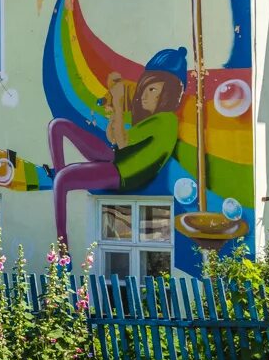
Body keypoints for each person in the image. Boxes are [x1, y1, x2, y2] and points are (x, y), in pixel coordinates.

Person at [47, 48, 187, 243]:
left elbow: (122, 141)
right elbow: (113, 137)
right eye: (144, 88)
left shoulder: (166, 120)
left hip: (124, 174)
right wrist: (113, 107)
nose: (144, 95)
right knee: (57, 125)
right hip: (115, 159)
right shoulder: (149, 118)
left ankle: (62, 246)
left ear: (169, 94)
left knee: (63, 178)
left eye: (153, 89)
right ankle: (59, 180)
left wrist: (120, 104)